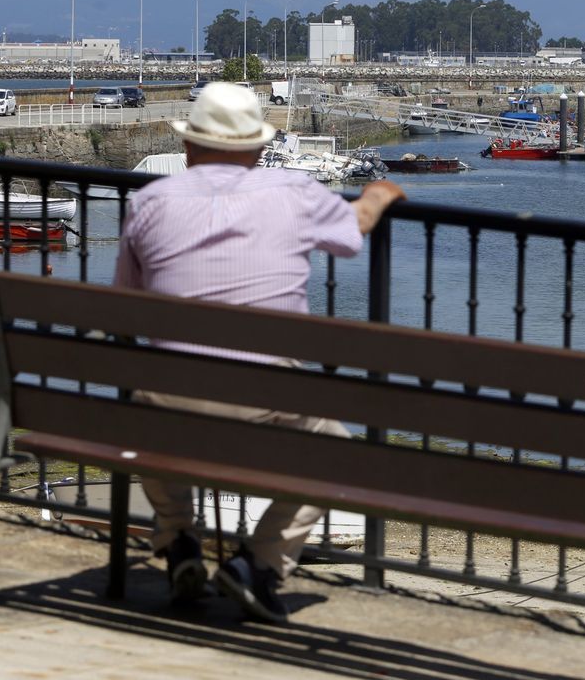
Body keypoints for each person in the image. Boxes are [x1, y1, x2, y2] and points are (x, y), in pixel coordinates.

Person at [113, 82, 405, 622]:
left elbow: (126, 307)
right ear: (256, 149)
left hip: (167, 396)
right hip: (263, 400)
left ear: (188, 147)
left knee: (148, 405)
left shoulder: (148, 201)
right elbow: (353, 230)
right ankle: (260, 565)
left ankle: (178, 542)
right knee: (338, 449)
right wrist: (380, 195)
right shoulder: (292, 191)